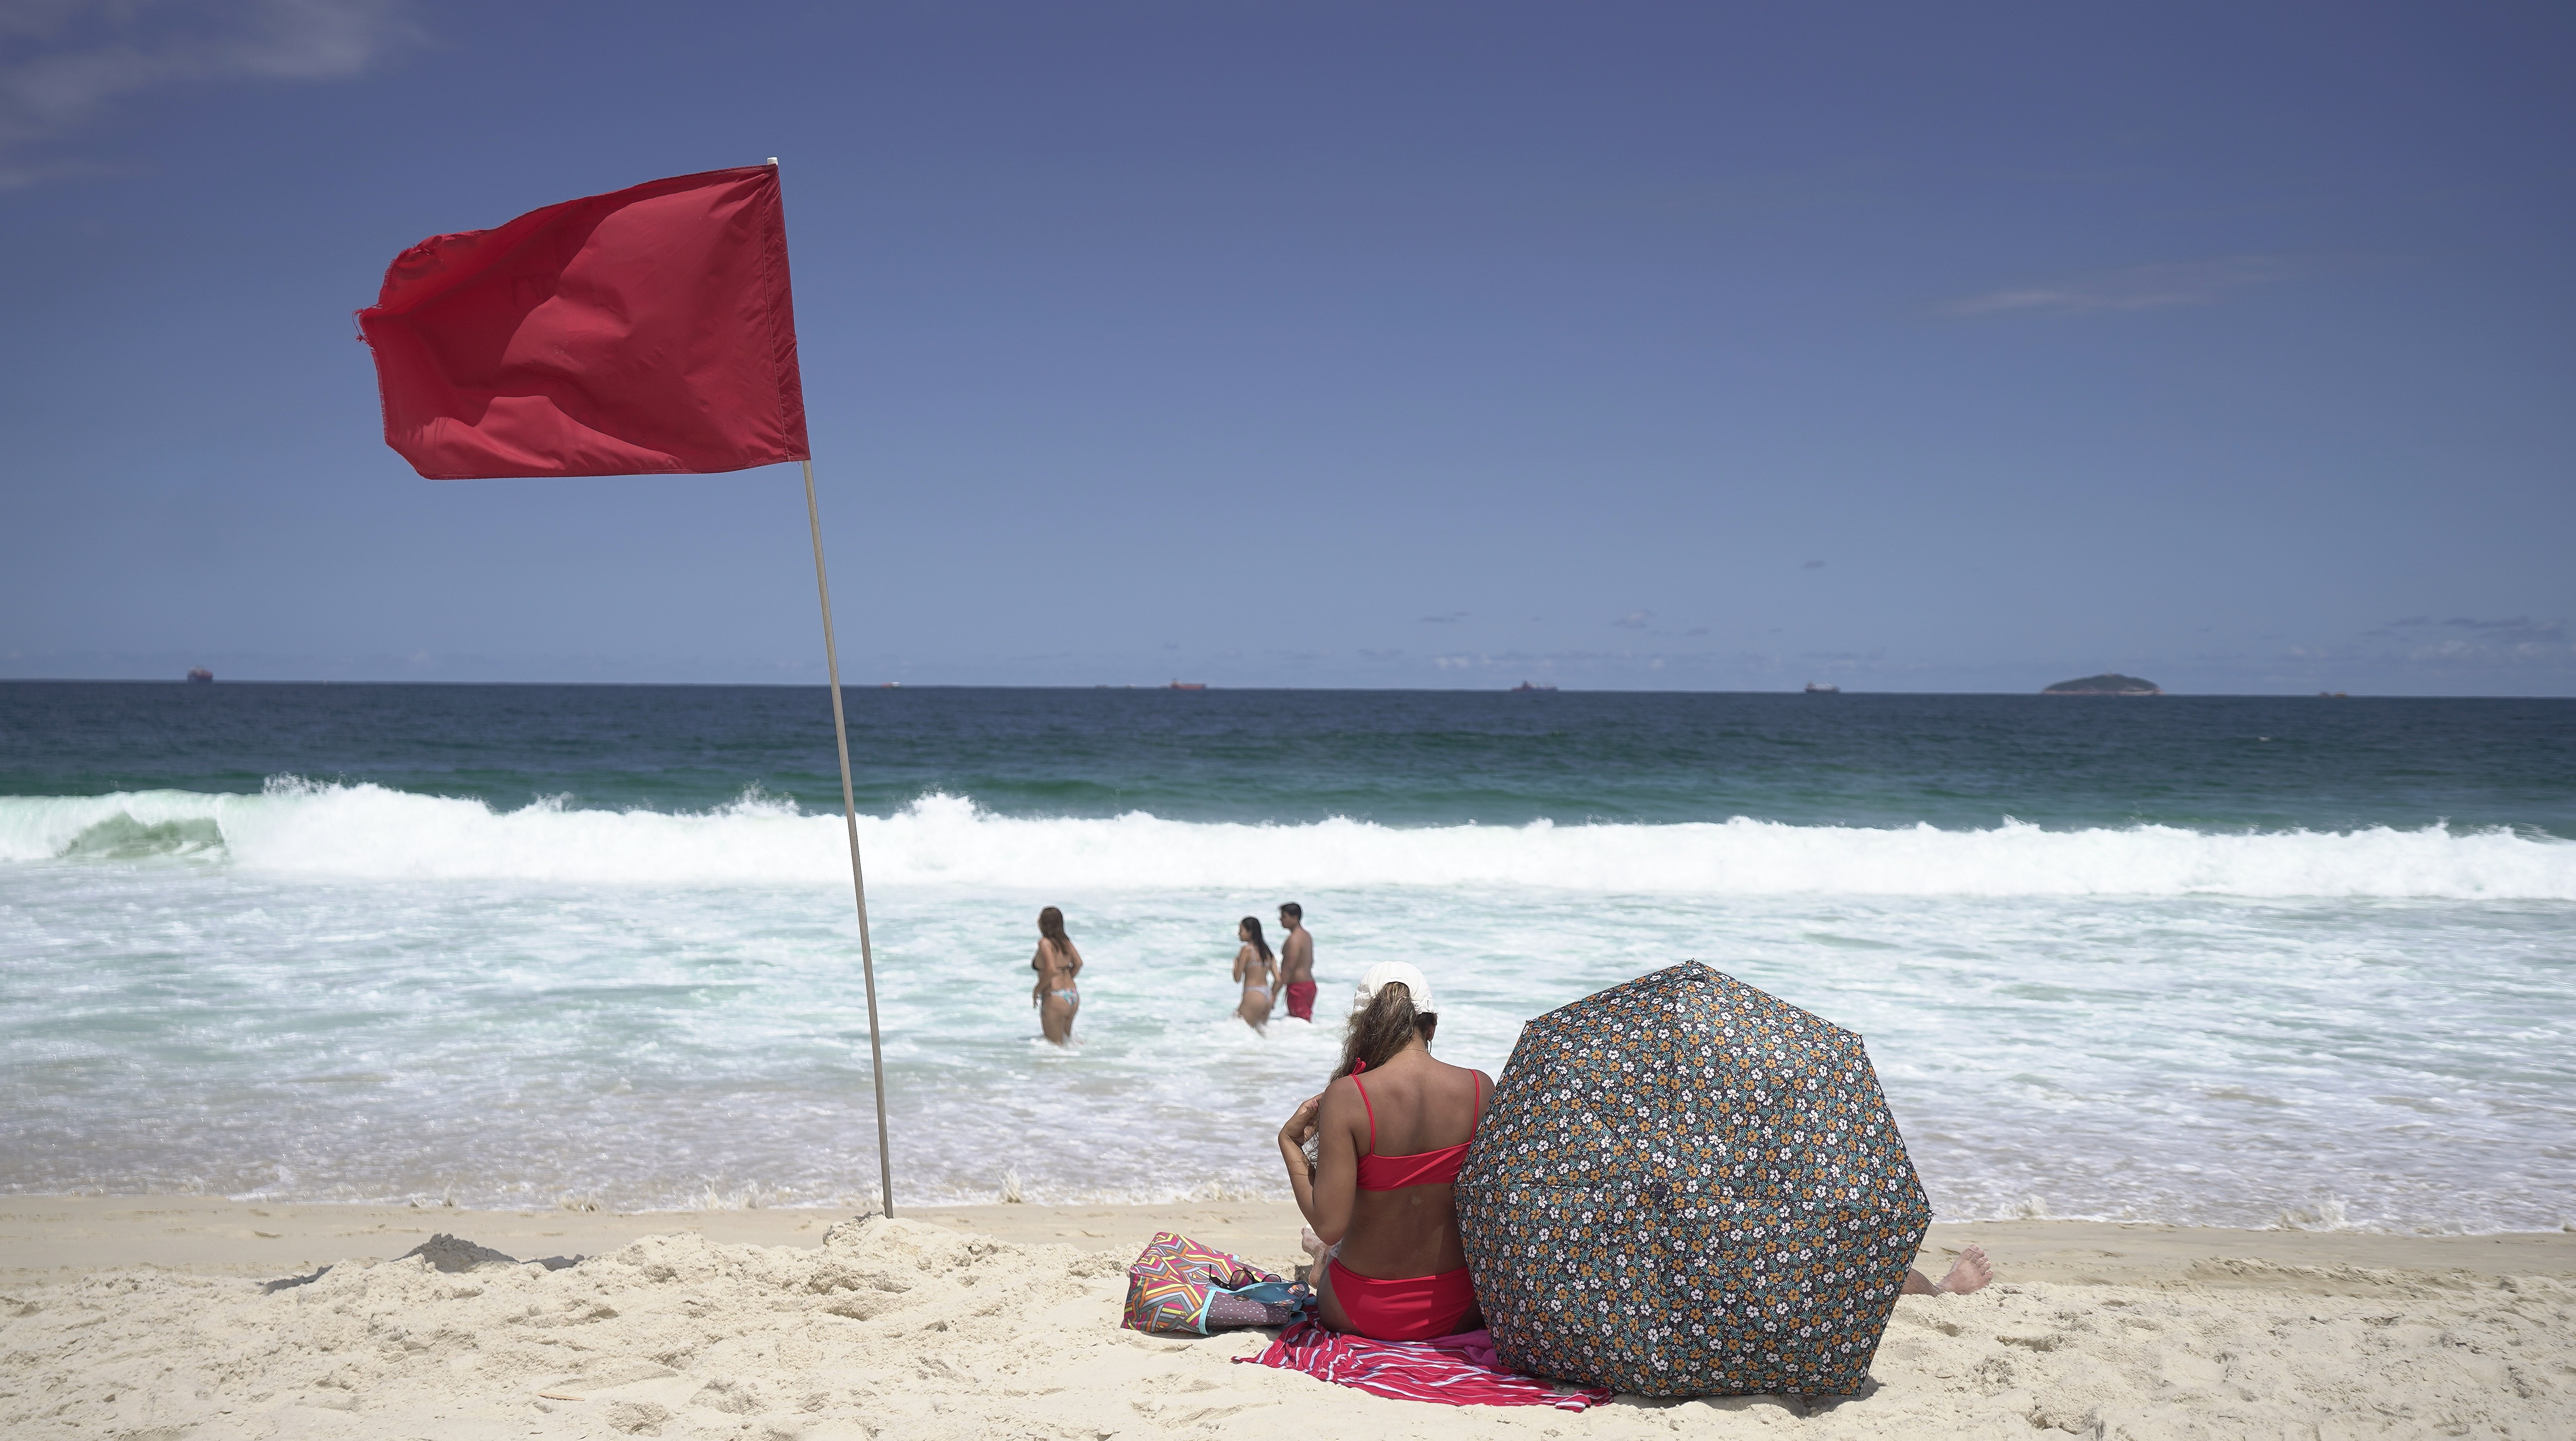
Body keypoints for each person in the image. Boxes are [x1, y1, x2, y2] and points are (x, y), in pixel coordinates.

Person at [1275, 962, 1488, 1341]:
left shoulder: (1349, 1096)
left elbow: (1330, 1224)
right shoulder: (1479, 1087)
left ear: (1364, 1028)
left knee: (1322, 1239)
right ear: (1431, 1026)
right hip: (1461, 1309)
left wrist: (1290, 1145)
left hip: (1361, 1311)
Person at [1029, 906, 1082, 1046]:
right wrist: (1067, 979)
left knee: (1055, 1047)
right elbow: (1078, 964)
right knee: (1068, 1044)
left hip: (1055, 997)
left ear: (1043, 923)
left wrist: (1037, 990)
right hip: (1072, 995)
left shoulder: (1044, 943)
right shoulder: (1065, 941)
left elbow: (1051, 970)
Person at [1233, 916, 1277, 1032]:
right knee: (1260, 1033)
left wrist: (1236, 964)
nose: (1239, 934)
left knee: (1237, 1030)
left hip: (1253, 994)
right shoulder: (1268, 952)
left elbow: (1237, 978)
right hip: (1267, 995)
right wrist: (1273, 995)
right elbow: (1279, 978)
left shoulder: (1246, 950)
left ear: (1250, 932)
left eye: (1241, 930)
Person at [1276, 902, 1317, 1022]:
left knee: (1299, 1023)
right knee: (1303, 1022)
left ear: (1295, 918)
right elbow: (1311, 961)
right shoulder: (1306, 936)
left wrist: (1274, 994)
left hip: (1299, 988)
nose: (1281, 919)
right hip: (1309, 985)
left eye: (1284, 917)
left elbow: (1289, 967)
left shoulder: (1294, 939)